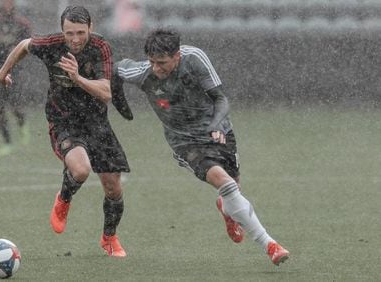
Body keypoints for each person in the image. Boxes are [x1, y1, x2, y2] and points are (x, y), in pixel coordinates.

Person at [112, 28, 290, 265]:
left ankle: (226, 209)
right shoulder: (143, 72)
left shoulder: (194, 59)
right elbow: (115, 70)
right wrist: (120, 103)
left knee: (233, 186)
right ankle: (270, 245)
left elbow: (221, 98)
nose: (156, 68)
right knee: (225, 183)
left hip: (219, 130)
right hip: (184, 141)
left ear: (177, 56)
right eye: (152, 61)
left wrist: (215, 126)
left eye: (162, 62)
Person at [0, 6, 130, 257]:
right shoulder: (52, 43)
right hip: (63, 120)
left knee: (113, 188)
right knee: (80, 169)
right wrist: (3, 72)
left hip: (97, 122)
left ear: (90, 27)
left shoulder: (101, 47)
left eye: (81, 32)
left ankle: (109, 238)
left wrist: (78, 78)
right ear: (62, 31)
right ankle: (64, 199)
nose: (75, 39)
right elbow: (24, 45)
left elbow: (106, 92)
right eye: (70, 33)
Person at [0, 0, 32, 156]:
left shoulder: (21, 23)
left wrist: (17, 50)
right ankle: (7, 142)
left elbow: (29, 43)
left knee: (16, 105)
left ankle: (23, 126)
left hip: (15, 69)